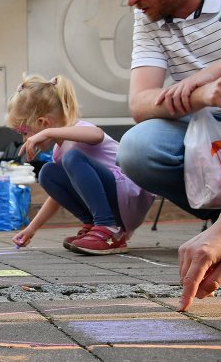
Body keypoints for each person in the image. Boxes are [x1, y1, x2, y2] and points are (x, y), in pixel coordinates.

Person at [111, 0, 221, 221]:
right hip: (205, 123)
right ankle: (220, 220)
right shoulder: (147, 17)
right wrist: (201, 94)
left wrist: (208, 75)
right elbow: (140, 103)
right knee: (138, 149)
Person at [8, 75, 154, 255]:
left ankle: (108, 228)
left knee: (72, 158)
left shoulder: (79, 130)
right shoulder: (59, 152)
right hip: (116, 200)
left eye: (25, 133)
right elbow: (57, 196)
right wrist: (31, 228)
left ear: (44, 123)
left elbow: (97, 134)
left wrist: (46, 133)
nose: (25, 140)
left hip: (130, 197)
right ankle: (95, 226)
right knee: (48, 173)